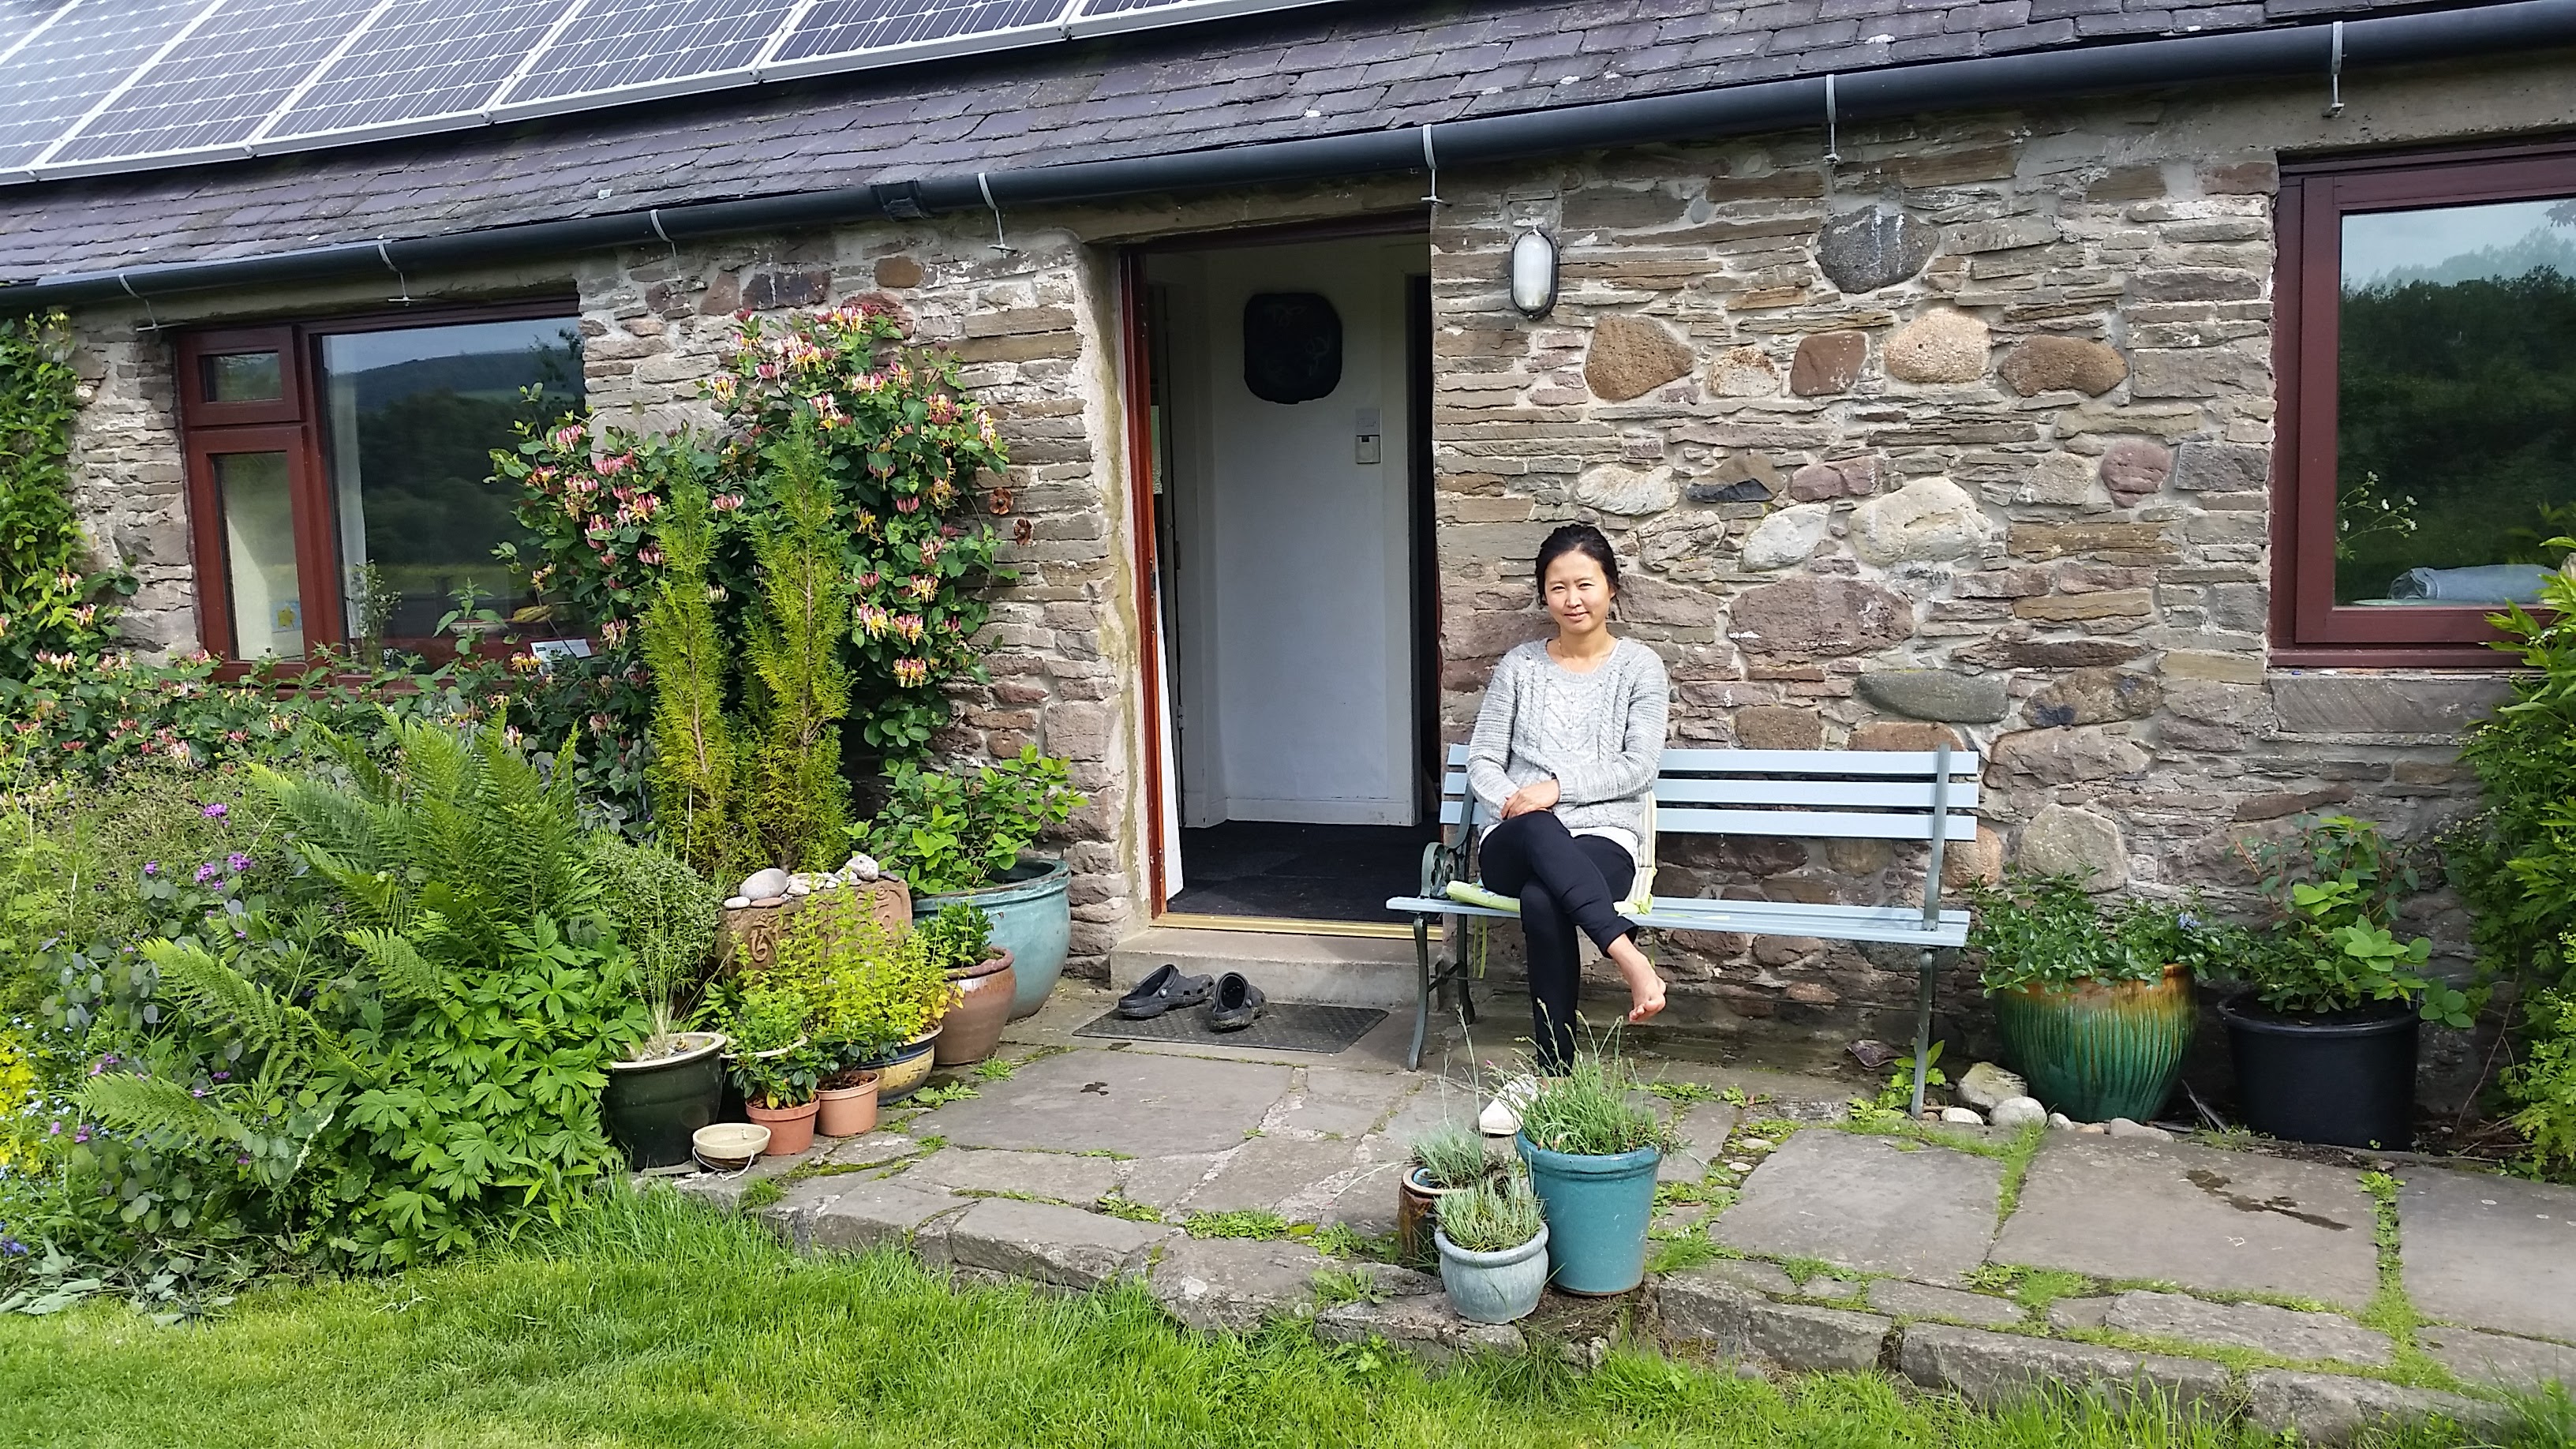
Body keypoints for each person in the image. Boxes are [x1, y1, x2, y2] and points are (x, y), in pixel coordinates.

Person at [1463, 522, 1669, 1133]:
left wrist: (1557, 789)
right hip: (1516, 835)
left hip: (1605, 838)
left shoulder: (1639, 667)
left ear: (1611, 589)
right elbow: (1482, 759)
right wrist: (1519, 801)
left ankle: (1553, 1074)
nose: (1572, 599)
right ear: (1544, 595)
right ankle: (1628, 955)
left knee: (1542, 897)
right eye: (1558, 588)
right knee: (1538, 836)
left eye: (1585, 584)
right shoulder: (1520, 667)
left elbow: (1639, 766)